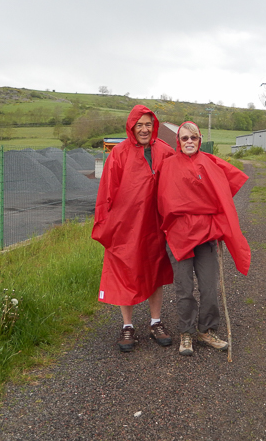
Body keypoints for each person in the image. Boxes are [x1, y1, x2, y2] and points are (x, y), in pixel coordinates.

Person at [157, 121, 250, 356]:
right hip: (179, 237)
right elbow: (165, 203)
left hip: (207, 237)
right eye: (185, 138)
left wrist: (216, 225)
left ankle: (207, 330)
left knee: (209, 287)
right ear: (178, 141)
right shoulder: (168, 166)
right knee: (184, 288)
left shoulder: (209, 163)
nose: (189, 142)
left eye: (194, 138)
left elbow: (223, 195)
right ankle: (186, 333)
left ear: (200, 140)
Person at [92, 105, 176, 352]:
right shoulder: (119, 154)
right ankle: (127, 326)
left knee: (155, 269)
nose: (144, 129)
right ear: (131, 126)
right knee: (124, 269)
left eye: (148, 124)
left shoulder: (165, 151)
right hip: (125, 225)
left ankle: (155, 322)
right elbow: (106, 191)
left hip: (155, 224)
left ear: (154, 126)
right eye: (139, 124)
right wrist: (105, 224)